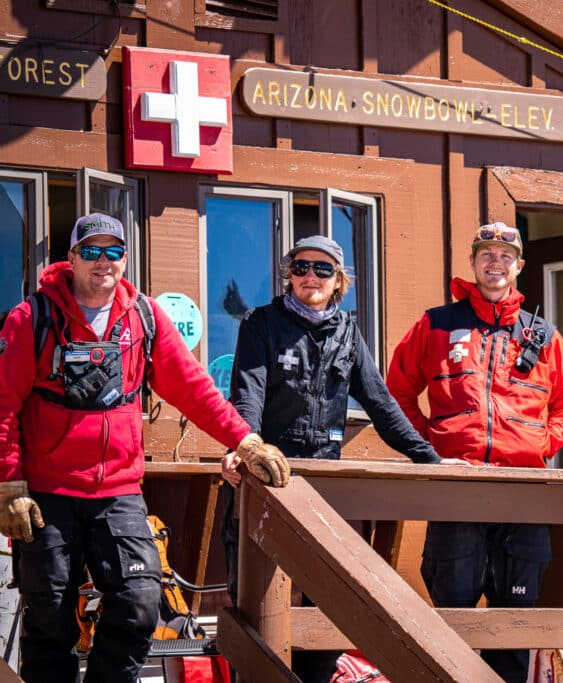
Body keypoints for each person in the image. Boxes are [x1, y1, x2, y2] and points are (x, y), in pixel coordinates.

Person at [0, 212, 289, 683]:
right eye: (90, 251)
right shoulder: (32, 318)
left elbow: (194, 389)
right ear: (71, 258)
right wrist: (9, 484)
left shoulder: (145, 318)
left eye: (112, 252)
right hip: (48, 493)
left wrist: (245, 439)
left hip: (118, 492)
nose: (102, 262)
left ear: (125, 259)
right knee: (50, 614)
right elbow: (2, 405)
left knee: (138, 604)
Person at [220, 234, 460, 682]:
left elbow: (381, 404)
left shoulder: (348, 333)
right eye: (300, 267)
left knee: (327, 609)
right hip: (267, 480)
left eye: (322, 269)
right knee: (255, 608)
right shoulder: (260, 323)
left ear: (339, 281)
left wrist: (429, 459)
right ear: (288, 275)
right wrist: (245, 447)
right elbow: (246, 395)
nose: (310, 276)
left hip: (325, 487)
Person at [386, 222, 563, 683]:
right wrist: (429, 451)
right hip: (458, 487)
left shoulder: (544, 335)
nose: (495, 263)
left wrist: (539, 446)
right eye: (486, 254)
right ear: (473, 263)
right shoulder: (437, 324)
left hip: (523, 494)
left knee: (515, 622)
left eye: (505, 255)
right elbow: (394, 392)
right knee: (453, 617)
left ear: (519, 266)